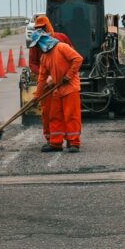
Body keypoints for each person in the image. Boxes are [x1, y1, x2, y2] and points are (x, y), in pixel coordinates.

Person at [31, 23, 84, 153]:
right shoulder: (44, 57)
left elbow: (78, 59)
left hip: (70, 88)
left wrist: (68, 75)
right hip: (58, 90)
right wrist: (37, 96)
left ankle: (74, 143)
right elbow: (42, 78)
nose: (37, 48)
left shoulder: (62, 47)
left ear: (43, 41)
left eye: (38, 44)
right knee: (55, 116)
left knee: (71, 116)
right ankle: (56, 143)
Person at [28, 15, 72, 147]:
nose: (40, 30)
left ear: (48, 26)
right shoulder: (35, 44)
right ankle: (51, 140)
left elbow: (72, 57)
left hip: (63, 82)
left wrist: (60, 75)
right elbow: (33, 64)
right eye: (37, 28)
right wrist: (45, 76)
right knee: (48, 113)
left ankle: (71, 140)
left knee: (67, 113)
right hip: (46, 85)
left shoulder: (61, 39)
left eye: (42, 27)